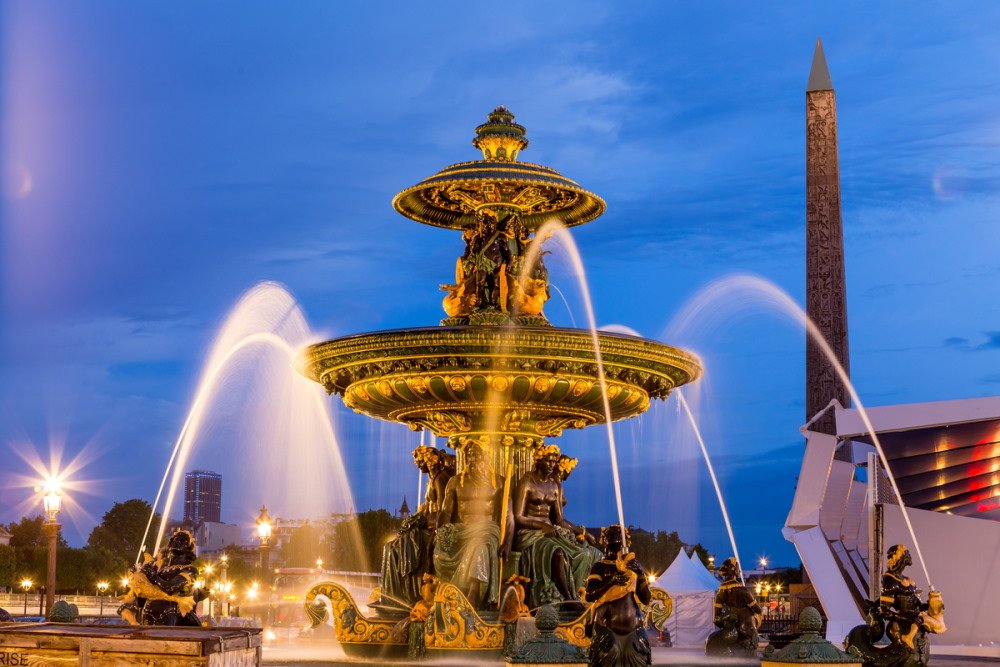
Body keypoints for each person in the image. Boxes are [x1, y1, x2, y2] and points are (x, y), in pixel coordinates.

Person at [513, 444, 602, 606]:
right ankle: (568, 598)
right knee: (559, 553)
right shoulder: (527, 482)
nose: (551, 465)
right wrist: (542, 526)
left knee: (585, 554)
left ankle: (579, 594)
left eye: (554, 462)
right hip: (530, 533)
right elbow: (518, 517)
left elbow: (560, 520)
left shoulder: (555, 486)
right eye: (548, 461)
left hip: (552, 531)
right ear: (538, 461)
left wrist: (582, 531)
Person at [433, 440, 506, 607]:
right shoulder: (455, 482)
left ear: (487, 457)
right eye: (469, 455)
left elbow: (508, 516)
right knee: (442, 546)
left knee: (479, 544)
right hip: (463, 529)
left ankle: (472, 596)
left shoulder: (499, 482)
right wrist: (439, 531)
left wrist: (507, 541)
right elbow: (446, 512)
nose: (472, 458)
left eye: (477, 454)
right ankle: (450, 592)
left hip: (488, 529)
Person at [584, 525, 652, 667]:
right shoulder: (599, 566)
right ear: (605, 540)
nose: (616, 538)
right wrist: (611, 581)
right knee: (607, 658)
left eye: (619, 536)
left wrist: (641, 575)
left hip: (635, 629)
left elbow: (645, 598)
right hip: (606, 628)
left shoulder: (632, 566)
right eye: (611, 535)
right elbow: (589, 596)